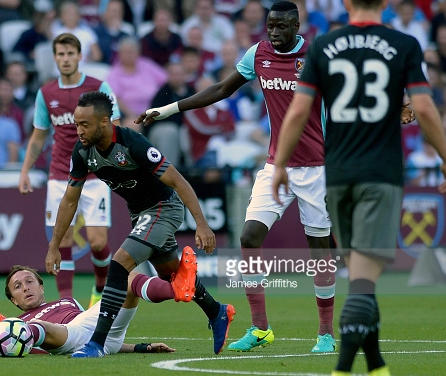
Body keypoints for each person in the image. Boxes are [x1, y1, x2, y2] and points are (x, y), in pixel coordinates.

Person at [271, 0, 446, 376]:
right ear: (386, 4)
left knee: (361, 274)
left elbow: (299, 111)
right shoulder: (404, 44)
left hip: (336, 176)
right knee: (363, 282)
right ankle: (340, 375)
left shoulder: (323, 46)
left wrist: (281, 163)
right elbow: (423, 108)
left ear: (346, 4)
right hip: (380, 176)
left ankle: (377, 371)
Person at [137, 1, 337, 354]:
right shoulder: (258, 54)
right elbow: (220, 90)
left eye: (281, 26)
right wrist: (167, 109)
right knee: (249, 235)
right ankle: (260, 328)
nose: (273, 32)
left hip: (317, 168)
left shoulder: (317, 55)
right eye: (269, 26)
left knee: (319, 249)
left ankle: (325, 333)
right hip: (276, 166)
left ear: (296, 25)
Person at [46, 91, 235, 358]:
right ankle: (217, 311)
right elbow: (68, 201)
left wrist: (202, 225)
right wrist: (54, 245)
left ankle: (97, 343)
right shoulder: (83, 152)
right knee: (173, 277)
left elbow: (178, 181)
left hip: (163, 209)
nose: (78, 130)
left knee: (119, 264)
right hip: (140, 215)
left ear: (104, 122)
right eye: (76, 124)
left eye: (84, 124)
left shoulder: (132, 143)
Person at [18, 33, 116, 308]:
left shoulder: (99, 88)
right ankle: (66, 303)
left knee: (97, 242)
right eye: (60, 54)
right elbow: (39, 136)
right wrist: (25, 171)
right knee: (63, 239)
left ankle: (99, 289)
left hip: (96, 175)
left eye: (70, 53)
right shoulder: (46, 93)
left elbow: (114, 127)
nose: (65, 59)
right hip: (60, 175)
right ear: (55, 58)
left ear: (79, 56)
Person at [0, 265, 175, 356]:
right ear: (14, 301)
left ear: (42, 287)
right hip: (62, 336)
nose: (25, 287)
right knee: (21, 329)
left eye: (30, 281)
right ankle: (24, 339)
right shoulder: (18, 321)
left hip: (100, 337)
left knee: (127, 276)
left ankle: (177, 290)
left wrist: (141, 348)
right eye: (18, 286)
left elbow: (95, 335)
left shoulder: (69, 303)